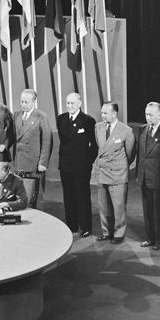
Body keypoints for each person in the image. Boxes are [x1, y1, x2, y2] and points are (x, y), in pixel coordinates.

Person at [92, 102, 135, 243]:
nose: (102, 115)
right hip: (102, 171)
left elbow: (130, 153)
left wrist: (120, 166)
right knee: (103, 206)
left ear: (114, 114)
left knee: (118, 206)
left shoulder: (126, 131)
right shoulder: (98, 127)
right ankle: (106, 231)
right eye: (102, 112)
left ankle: (118, 233)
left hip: (117, 173)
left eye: (105, 113)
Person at [57, 93, 98, 236]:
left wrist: (88, 162)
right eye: (67, 103)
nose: (69, 106)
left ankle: (85, 226)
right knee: (68, 196)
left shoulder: (88, 121)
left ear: (79, 104)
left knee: (82, 196)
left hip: (81, 167)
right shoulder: (61, 119)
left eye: (72, 103)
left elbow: (94, 145)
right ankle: (72, 225)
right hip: (65, 166)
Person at [134, 102, 160, 249]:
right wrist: (138, 174)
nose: (148, 117)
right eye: (146, 114)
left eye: (151, 115)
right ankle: (150, 238)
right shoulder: (142, 130)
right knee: (148, 211)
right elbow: (140, 154)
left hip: (159, 180)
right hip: (144, 178)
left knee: (159, 212)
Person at [11, 89, 52, 209]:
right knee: (20, 193)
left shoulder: (41, 117)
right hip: (19, 161)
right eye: (22, 101)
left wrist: (43, 163)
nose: (23, 104)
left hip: (34, 163)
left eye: (26, 102)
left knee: (36, 195)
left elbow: (46, 141)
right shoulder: (17, 115)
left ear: (34, 102)